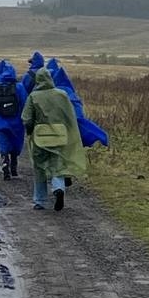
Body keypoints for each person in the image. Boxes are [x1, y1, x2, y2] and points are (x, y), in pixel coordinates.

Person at [22, 67, 88, 210]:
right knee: (58, 165)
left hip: (40, 137)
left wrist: (30, 131)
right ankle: (58, 189)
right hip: (60, 135)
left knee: (39, 167)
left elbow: (26, 118)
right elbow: (70, 116)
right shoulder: (62, 94)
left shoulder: (33, 96)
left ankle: (40, 201)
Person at [0, 61, 29, 180]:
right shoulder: (20, 87)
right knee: (16, 144)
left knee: (3, 143)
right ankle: (14, 166)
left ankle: (5, 159)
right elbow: (25, 104)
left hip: (0, 122)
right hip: (17, 123)